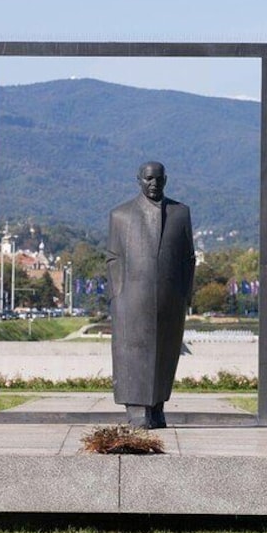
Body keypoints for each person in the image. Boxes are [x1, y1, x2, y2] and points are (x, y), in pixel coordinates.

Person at [106, 161, 195, 428]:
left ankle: (157, 406)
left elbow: (188, 258)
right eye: (148, 179)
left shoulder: (180, 213)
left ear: (166, 179)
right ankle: (136, 408)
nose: (153, 183)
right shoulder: (121, 215)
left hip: (171, 297)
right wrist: (117, 293)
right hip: (131, 297)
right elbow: (113, 258)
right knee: (133, 351)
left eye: (158, 179)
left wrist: (184, 294)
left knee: (165, 351)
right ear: (139, 180)